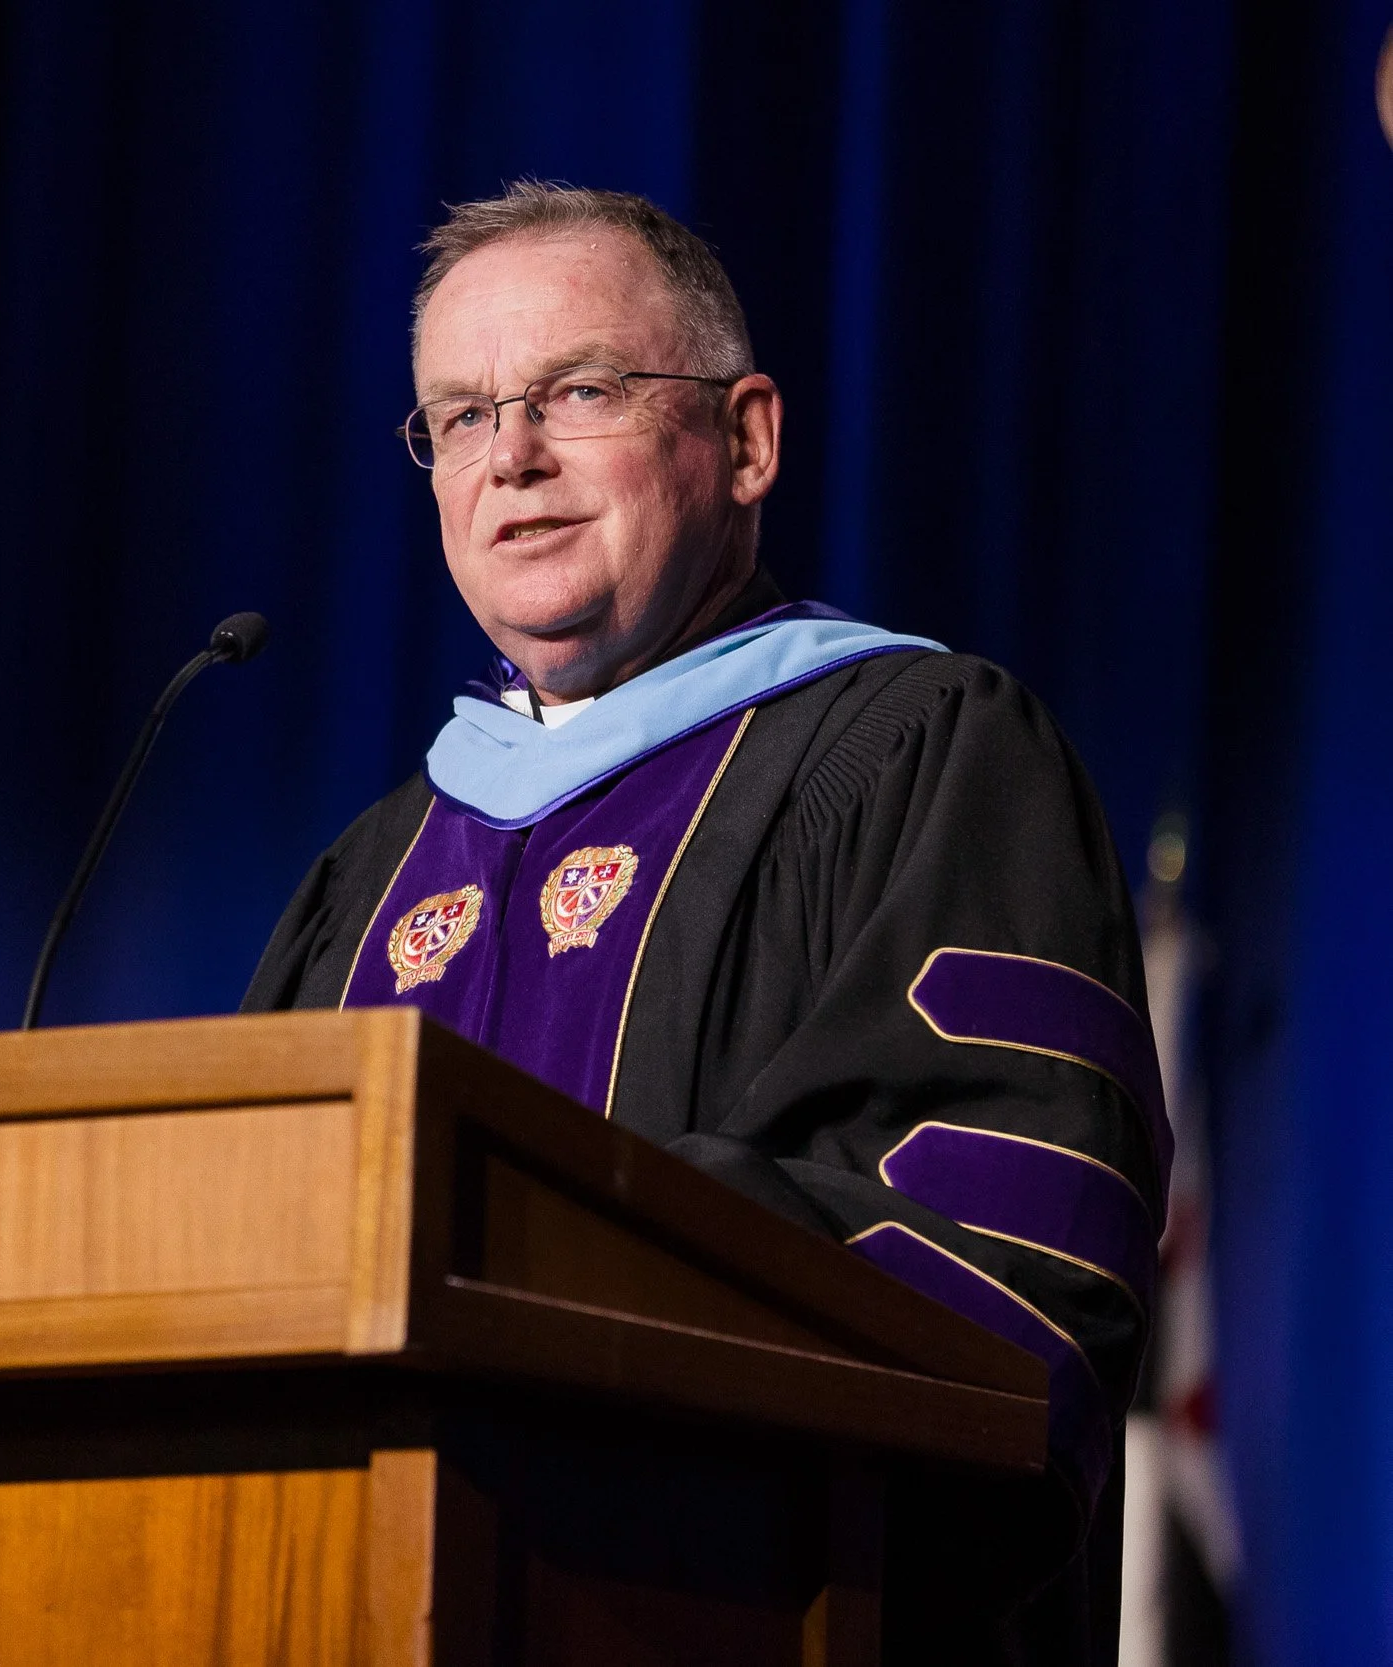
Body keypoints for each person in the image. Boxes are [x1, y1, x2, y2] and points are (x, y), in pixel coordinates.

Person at [243, 181, 1164, 1666]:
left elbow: (1011, 1260)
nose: (513, 459)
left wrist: (529, 1259)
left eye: (579, 390)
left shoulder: (927, 755)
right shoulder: (369, 876)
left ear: (747, 442)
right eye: (462, 415)